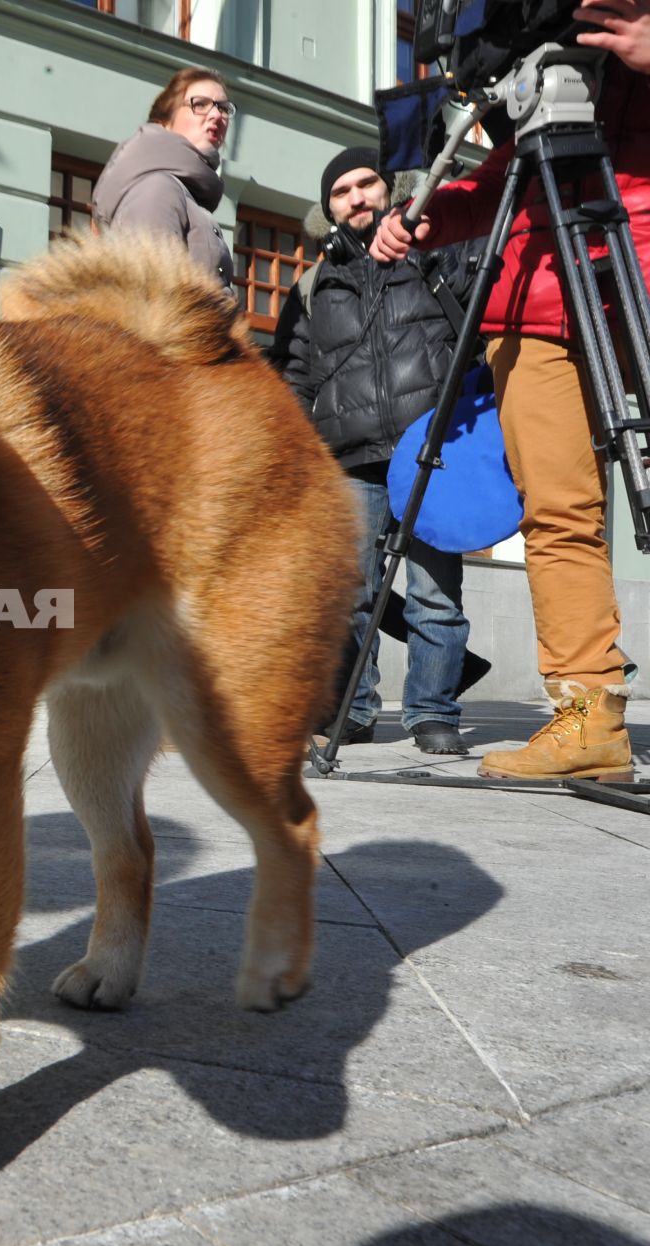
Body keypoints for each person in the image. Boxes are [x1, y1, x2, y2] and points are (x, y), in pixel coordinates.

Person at [371, 0, 648, 781]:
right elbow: (505, 181)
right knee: (557, 511)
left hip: (638, 272)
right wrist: (425, 219)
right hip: (536, 302)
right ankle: (587, 713)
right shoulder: (543, 51)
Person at [273, 147, 490, 755]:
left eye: (366, 183)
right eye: (340, 192)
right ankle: (353, 711)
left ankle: (431, 713)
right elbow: (292, 374)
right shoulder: (316, 285)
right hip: (347, 460)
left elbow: (486, 320)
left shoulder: (436, 255)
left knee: (433, 593)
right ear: (330, 210)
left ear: (390, 190)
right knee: (349, 595)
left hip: (435, 450)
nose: (356, 197)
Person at [92, 66, 236, 291]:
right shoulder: (158, 188)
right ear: (163, 123)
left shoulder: (184, 193)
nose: (217, 115)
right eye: (199, 104)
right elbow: (150, 299)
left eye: (223, 108)